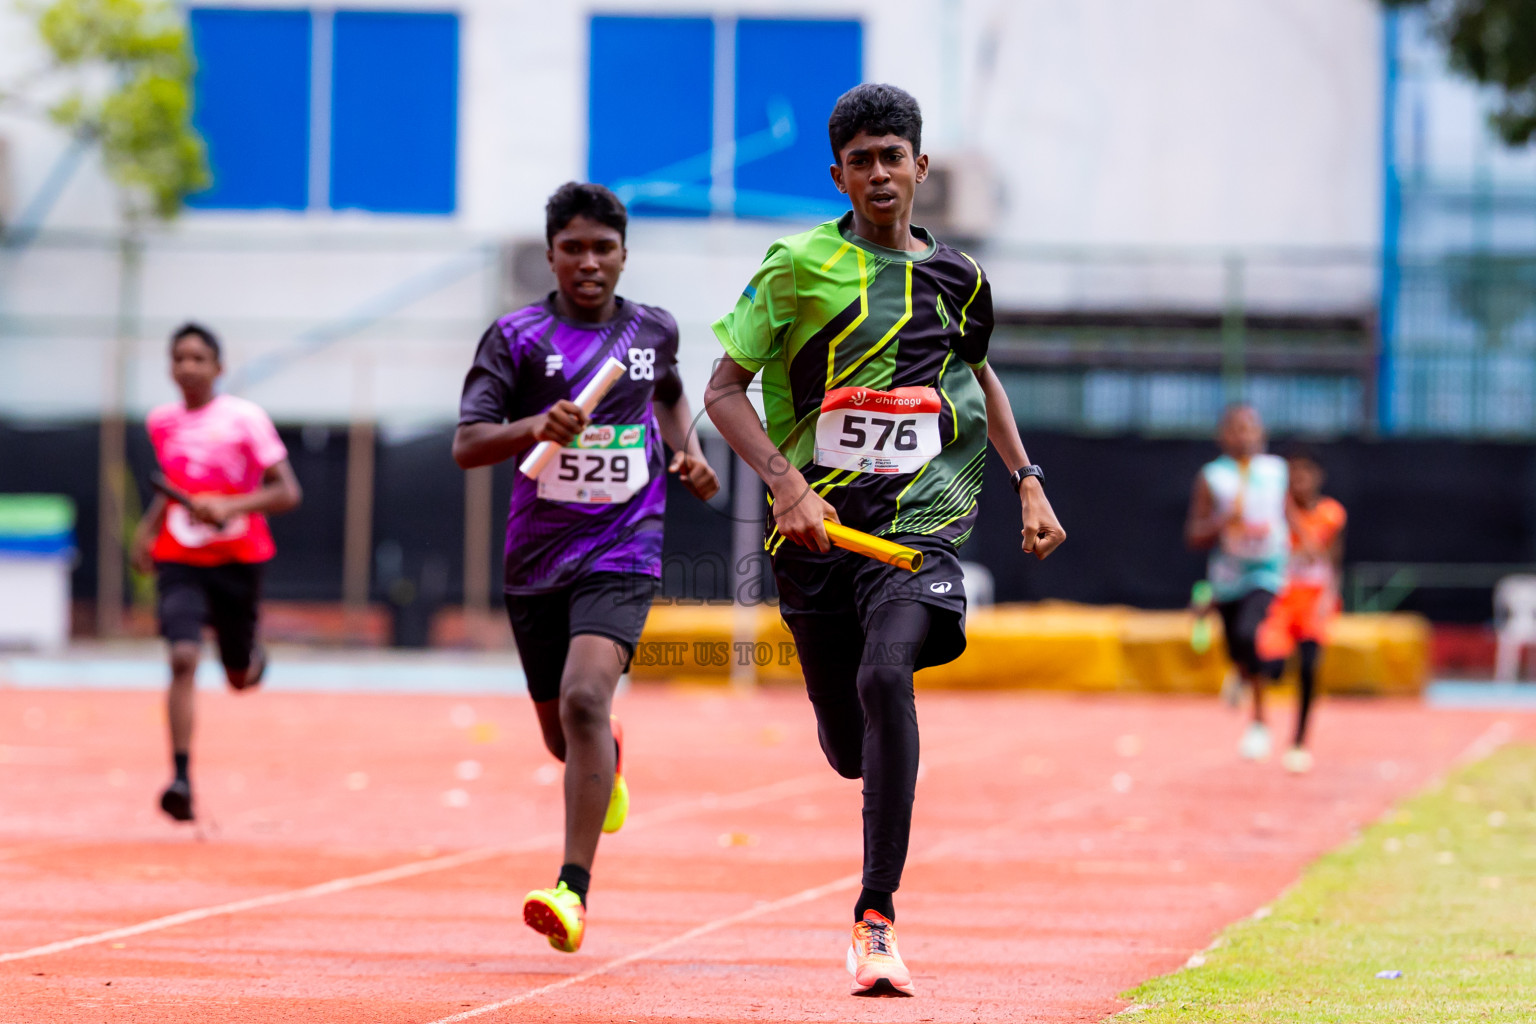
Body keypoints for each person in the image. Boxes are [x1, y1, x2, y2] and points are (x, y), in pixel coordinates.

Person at [706, 84, 1065, 997]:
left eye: (892, 156)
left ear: (920, 167)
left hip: (920, 534)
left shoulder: (960, 281)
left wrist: (1028, 482)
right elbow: (721, 391)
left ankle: (875, 918)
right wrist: (787, 488)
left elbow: (980, 377)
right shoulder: (795, 267)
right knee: (849, 744)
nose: (878, 173)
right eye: (860, 159)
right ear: (839, 173)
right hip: (818, 542)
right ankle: (873, 758)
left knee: (883, 675)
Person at [453, 182, 719, 954]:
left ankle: (572, 890)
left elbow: (667, 393)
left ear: (625, 255)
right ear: (551, 255)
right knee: (564, 733)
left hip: (625, 545)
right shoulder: (515, 337)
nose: (590, 261)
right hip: (536, 556)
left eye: (604, 248)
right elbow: (467, 445)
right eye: (574, 247)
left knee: (582, 698)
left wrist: (688, 453)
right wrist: (538, 423)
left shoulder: (652, 330)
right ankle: (605, 758)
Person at [131, 323, 303, 823]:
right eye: (179, 358)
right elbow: (171, 488)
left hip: (238, 559)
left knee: (238, 678)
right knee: (182, 657)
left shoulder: (245, 420)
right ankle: (180, 779)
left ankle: (251, 659)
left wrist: (231, 506)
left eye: (198, 358)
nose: (188, 367)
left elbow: (287, 492)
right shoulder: (161, 422)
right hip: (180, 558)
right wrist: (147, 531)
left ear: (218, 368)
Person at [1185, 403, 1288, 761]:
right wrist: (1220, 521)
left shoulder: (1278, 472)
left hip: (1268, 571)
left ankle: (1259, 723)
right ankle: (1242, 674)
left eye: (1250, 428)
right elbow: (1194, 535)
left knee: (1251, 635)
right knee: (1236, 647)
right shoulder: (1213, 477)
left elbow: (1290, 515)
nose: (1243, 435)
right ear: (1222, 436)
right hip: (1228, 577)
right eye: (1235, 428)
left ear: (1261, 433)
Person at [1257, 447, 1346, 774]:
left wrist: (1329, 598)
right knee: (1274, 666)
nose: (1301, 480)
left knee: (1309, 668)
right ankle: (1255, 708)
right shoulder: (1275, 512)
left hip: (1313, 600)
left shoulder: (1331, 514)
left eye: (1306, 473)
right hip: (1283, 598)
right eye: (1294, 475)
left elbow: (1329, 558)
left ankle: (1298, 741)